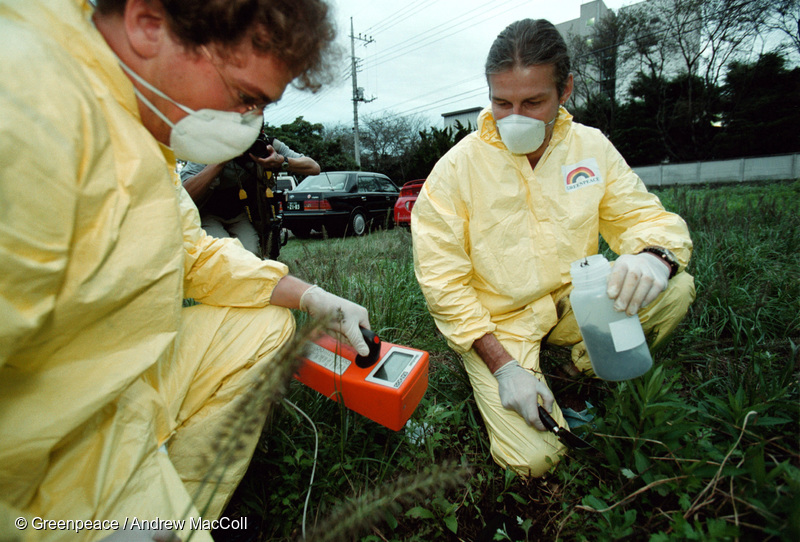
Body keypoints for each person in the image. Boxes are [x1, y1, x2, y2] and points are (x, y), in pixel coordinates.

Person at [0, 0, 369, 540]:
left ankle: (176, 499)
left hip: (107, 391)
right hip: (31, 453)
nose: (248, 124)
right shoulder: (29, 112)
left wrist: (313, 297)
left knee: (264, 325)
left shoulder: (139, 118)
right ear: (148, 24)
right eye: (246, 99)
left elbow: (190, 252)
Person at [411, 19, 695, 477]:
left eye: (532, 102)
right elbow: (444, 285)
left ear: (565, 91)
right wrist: (503, 367)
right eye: (501, 103)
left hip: (574, 301)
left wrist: (653, 256)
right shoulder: (454, 172)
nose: (514, 118)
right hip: (499, 325)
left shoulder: (590, 147)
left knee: (676, 289)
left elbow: (646, 218)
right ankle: (517, 372)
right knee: (536, 460)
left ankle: (575, 372)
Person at [181, 127, 320, 259]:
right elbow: (185, 195)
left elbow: (314, 167)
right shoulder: (208, 146)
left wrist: (281, 161)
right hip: (208, 212)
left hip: (239, 213)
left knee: (252, 254)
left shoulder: (266, 144)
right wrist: (219, 162)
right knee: (224, 253)